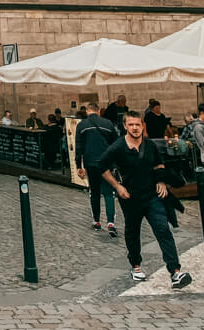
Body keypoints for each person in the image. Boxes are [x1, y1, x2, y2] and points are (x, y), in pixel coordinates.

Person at [100, 112, 192, 289]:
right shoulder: (117, 147)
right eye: (131, 125)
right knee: (133, 232)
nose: (135, 128)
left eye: (138, 124)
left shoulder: (149, 145)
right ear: (125, 126)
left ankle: (175, 272)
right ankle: (135, 265)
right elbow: (101, 167)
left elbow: (159, 164)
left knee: (163, 230)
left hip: (152, 196)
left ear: (142, 126)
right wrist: (118, 187)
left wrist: (161, 180)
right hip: (130, 198)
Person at [75, 103, 118, 236]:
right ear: (98, 111)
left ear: (87, 111)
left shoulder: (81, 125)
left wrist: (78, 166)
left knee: (94, 192)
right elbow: (115, 144)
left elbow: (79, 147)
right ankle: (111, 222)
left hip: (90, 163)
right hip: (106, 163)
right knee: (108, 192)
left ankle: (97, 221)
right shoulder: (108, 124)